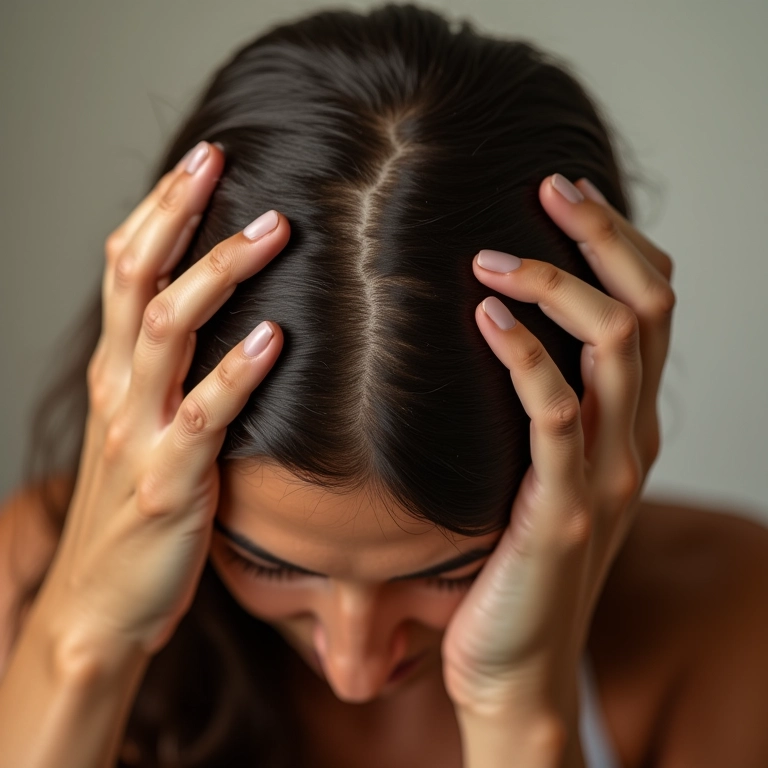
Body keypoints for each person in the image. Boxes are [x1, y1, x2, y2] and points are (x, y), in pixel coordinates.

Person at [1, 4, 768, 767]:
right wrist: (87, 644)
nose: (356, 670)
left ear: (595, 438)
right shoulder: (29, 568)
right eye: (267, 564)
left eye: (451, 572)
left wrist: (519, 707)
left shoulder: (725, 614)